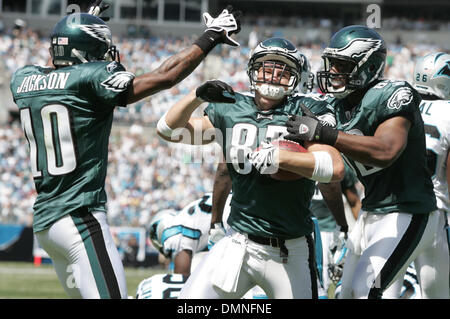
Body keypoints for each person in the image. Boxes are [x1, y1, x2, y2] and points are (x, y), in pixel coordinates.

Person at [9, 1, 242, 299]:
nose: (108, 54)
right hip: (80, 217)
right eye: (101, 48)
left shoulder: (24, 78)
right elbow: (165, 76)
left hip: (46, 224)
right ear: (85, 52)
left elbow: (59, 62)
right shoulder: (91, 78)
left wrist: (83, 23)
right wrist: (211, 36)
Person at [157, 37, 345, 299]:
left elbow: (333, 168)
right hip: (238, 242)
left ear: (295, 77)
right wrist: (196, 96)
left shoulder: (307, 107)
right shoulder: (233, 107)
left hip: (289, 249)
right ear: (254, 70)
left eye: (283, 71)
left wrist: (281, 157)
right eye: (269, 68)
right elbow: (169, 130)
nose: (274, 75)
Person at [285, 25, 449, 299]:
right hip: (371, 210)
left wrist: (325, 133)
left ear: (368, 66)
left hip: (409, 211)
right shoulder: (334, 106)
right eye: (331, 63)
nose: (333, 71)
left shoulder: (393, 93)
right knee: (345, 293)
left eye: (342, 65)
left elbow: (386, 150)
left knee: (367, 290)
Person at [384, 52, 450, 299]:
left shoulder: (398, 106)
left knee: (383, 289)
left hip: (391, 209)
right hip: (433, 211)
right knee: (437, 294)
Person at [310, 163, 361, 296]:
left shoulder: (339, 163)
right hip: (300, 229)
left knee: (322, 285)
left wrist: (361, 233)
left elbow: (354, 202)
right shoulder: (297, 156)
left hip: (328, 232)